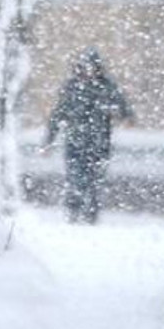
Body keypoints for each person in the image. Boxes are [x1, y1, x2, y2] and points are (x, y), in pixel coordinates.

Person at [45, 47, 134, 224]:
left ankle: (90, 216)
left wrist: (124, 116)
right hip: (74, 143)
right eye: (85, 67)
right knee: (74, 179)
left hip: (99, 144)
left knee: (94, 182)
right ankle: (73, 213)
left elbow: (123, 108)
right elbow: (58, 114)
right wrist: (49, 140)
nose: (88, 71)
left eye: (92, 67)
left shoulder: (107, 86)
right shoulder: (71, 87)